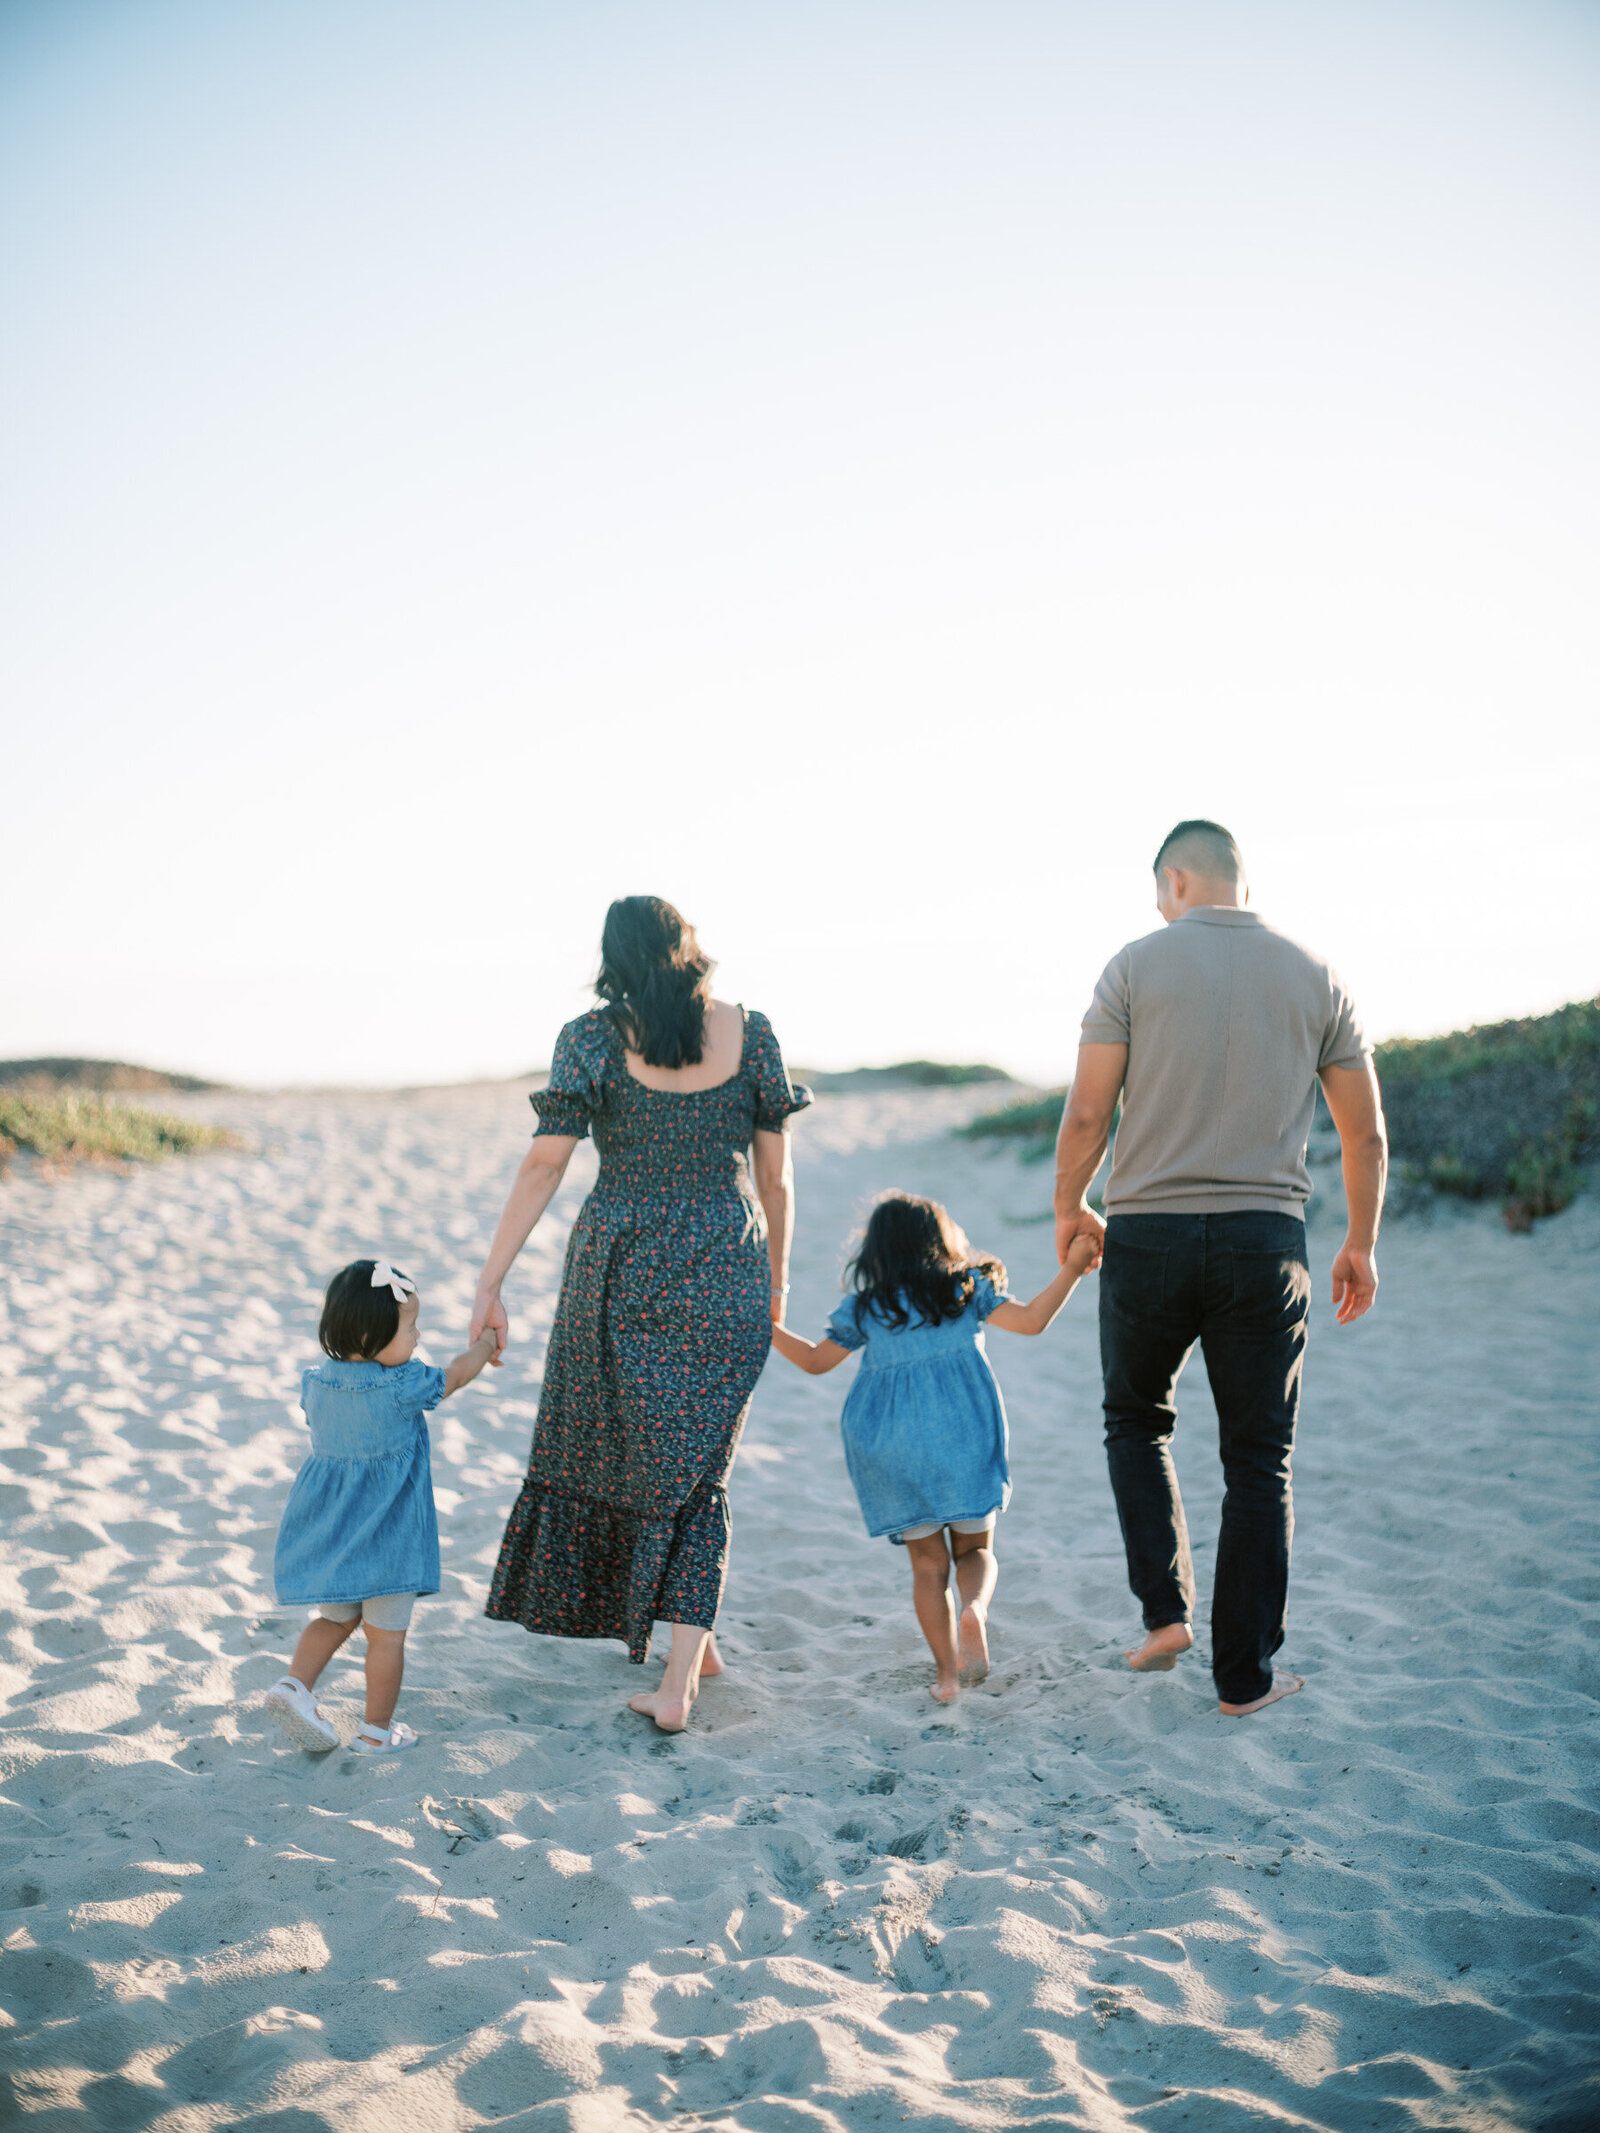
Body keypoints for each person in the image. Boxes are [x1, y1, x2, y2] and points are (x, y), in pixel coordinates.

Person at [1054, 819, 1387, 1717]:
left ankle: (1166, 1616)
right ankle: (1244, 1679)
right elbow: (1364, 1131)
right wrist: (1360, 1239)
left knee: (1134, 1420)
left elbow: (1088, 1115)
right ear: (1242, 880)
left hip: (1147, 1237)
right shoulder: (1316, 974)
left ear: (1175, 880)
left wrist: (1066, 1205)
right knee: (1259, 1461)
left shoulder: (1133, 964)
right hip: (1263, 1240)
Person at [473, 895, 809, 1733]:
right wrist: (776, 1282)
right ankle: (698, 1637)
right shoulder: (754, 1033)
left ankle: (678, 1687)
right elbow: (776, 1180)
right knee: (701, 1464)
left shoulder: (591, 1038)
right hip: (726, 1260)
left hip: (622, 1265)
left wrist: (492, 1278)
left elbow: (543, 1167)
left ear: (613, 959)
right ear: (688, 947)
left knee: (635, 1449)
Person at [772, 1192, 1101, 1703]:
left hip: (892, 1448)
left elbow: (816, 1361)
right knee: (976, 1550)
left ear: (877, 1252)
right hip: (963, 1437)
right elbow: (1034, 1320)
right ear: (941, 1242)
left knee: (928, 1567)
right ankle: (975, 1611)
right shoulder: (966, 1291)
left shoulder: (868, 1309)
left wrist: (766, 1327)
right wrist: (1075, 1269)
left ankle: (947, 1675)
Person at [264, 1259, 498, 1755]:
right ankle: (375, 1732)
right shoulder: (403, 1386)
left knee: (334, 1619)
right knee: (386, 1639)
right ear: (371, 1335)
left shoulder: (316, 1382)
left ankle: (294, 1686)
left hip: (335, 1534)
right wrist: (485, 1345)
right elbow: (454, 1377)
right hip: (389, 1540)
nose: (417, 1337)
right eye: (410, 1327)